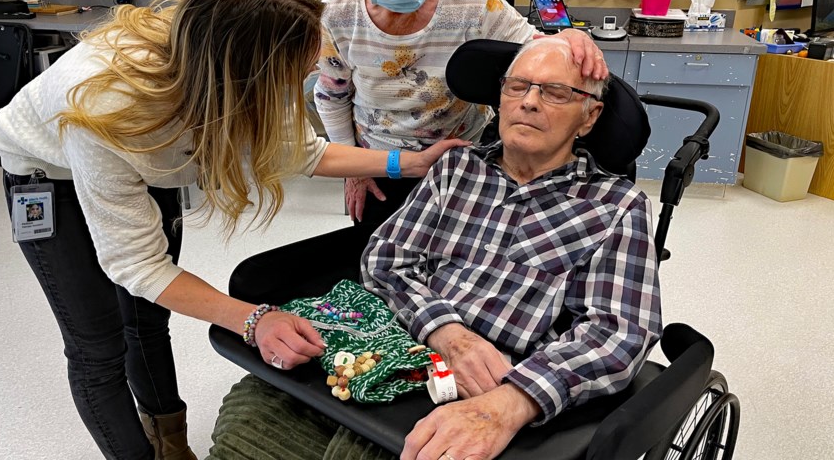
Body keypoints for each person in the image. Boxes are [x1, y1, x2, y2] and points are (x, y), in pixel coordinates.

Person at [0, 0, 464, 460]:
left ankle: (170, 443)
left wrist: (408, 163)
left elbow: (300, 152)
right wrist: (253, 319)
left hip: (146, 160)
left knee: (146, 324)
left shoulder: (232, 61)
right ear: (243, 75)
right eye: (293, 75)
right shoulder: (106, 107)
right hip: (49, 178)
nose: (302, 87)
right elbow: (136, 265)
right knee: (99, 348)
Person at [209, 37, 661, 460]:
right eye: (517, 86)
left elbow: (618, 333)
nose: (528, 101)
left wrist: (512, 402)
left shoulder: (615, 206)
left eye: (556, 92)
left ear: (590, 116)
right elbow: (387, 259)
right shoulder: (457, 168)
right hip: (393, 340)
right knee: (245, 423)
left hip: (488, 384)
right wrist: (446, 332)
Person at [314, 0, 608, 239]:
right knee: (382, 260)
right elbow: (332, 95)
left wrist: (569, 38)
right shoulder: (337, 14)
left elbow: (537, 51)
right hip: (380, 165)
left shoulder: (473, 3)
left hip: (465, 162)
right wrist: (353, 167)